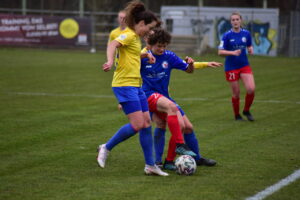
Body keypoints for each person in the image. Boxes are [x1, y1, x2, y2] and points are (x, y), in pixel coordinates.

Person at [97, 1, 168, 176]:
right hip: (124, 84)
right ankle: (106, 147)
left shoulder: (136, 38)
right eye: (149, 28)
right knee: (137, 124)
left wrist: (145, 55)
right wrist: (109, 61)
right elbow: (113, 44)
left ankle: (150, 165)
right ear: (141, 24)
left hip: (136, 85)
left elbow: (133, 54)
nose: (150, 33)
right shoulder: (128, 34)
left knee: (146, 124)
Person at [140, 27, 220, 170]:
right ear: (150, 44)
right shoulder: (143, 57)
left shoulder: (169, 56)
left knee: (187, 127)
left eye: (164, 46)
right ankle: (174, 150)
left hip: (164, 97)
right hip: (147, 95)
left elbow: (188, 70)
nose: (162, 49)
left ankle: (191, 158)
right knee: (167, 120)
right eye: (159, 46)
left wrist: (190, 64)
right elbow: (128, 73)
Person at [218, 12, 255, 121]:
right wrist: (232, 53)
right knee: (236, 93)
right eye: (233, 20)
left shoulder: (246, 34)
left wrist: (250, 48)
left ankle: (246, 110)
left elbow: (249, 44)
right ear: (231, 22)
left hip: (244, 65)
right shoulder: (226, 35)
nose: (235, 21)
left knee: (251, 89)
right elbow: (220, 52)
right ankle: (237, 115)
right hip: (231, 67)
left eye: (237, 19)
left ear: (241, 20)